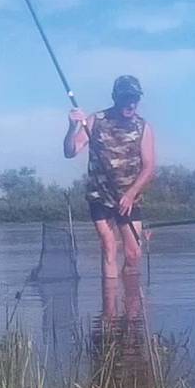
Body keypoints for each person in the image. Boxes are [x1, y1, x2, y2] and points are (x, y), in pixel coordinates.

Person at [63, 75, 156, 278]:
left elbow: (149, 167)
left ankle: (132, 307)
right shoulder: (95, 121)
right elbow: (70, 151)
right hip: (100, 196)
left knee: (133, 254)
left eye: (135, 98)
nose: (131, 103)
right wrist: (72, 127)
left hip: (129, 200)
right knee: (109, 248)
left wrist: (131, 194)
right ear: (115, 97)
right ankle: (110, 308)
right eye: (126, 97)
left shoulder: (143, 127)